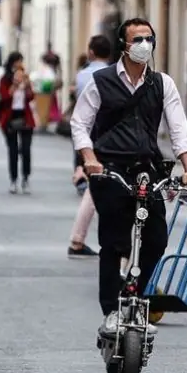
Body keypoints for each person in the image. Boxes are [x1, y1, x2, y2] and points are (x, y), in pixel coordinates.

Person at [70, 17, 187, 336]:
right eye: (138, 39)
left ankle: (135, 300)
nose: (145, 45)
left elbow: (178, 128)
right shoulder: (100, 81)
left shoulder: (162, 83)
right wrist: (89, 159)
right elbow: (79, 124)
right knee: (113, 242)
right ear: (124, 46)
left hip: (146, 166)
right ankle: (111, 312)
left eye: (149, 39)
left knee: (156, 237)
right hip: (110, 168)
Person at [67, 35, 113, 258]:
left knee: (96, 187)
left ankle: (78, 239)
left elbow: (80, 108)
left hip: (87, 133)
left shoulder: (83, 75)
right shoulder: (114, 75)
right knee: (100, 188)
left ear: (91, 52)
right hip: (107, 136)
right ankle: (81, 240)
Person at [0, 52, 35, 194]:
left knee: (26, 149)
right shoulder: (5, 80)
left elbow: (31, 97)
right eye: (18, 61)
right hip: (10, 117)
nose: (20, 64)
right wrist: (14, 84)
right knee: (12, 150)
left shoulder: (25, 79)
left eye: (21, 61)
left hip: (25, 117)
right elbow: (4, 98)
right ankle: (13, 179)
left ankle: (25, 178)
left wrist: (27, 85)